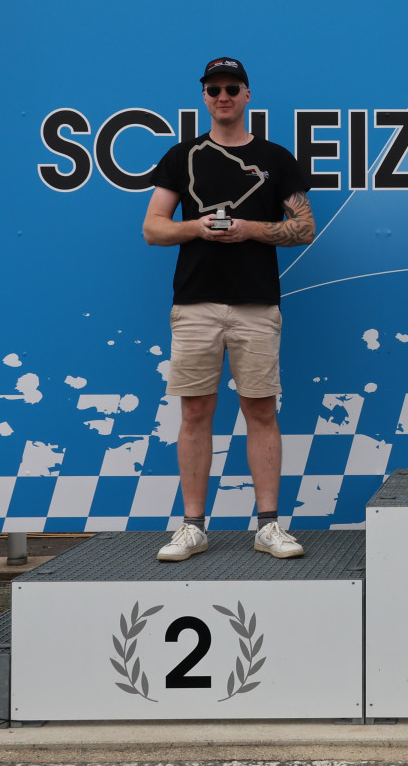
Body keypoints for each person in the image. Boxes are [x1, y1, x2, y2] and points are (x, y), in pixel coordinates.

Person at [142, 56, 313, 560]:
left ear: (247, 95)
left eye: (232, 88)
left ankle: (269, 526)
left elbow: (304, 228)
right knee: (194, 412)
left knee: (261, 409)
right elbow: (153, 228)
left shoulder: (276, 158)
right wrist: (197, 227)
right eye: (214, 89)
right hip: (195, 303)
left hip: (256, 303)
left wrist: (248, 229)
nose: (223, 96)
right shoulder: (182, 156)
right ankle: (192, 527)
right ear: (204, 96)